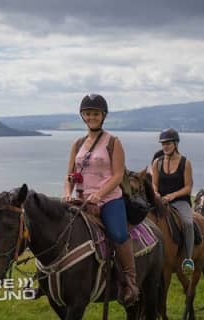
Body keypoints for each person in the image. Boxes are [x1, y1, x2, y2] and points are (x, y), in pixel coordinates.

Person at [63, 93, 139, 306]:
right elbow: (69, 174)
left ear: (103, 115)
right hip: (80, 199)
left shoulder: (113, 142)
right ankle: (46, 277)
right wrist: (68, 192)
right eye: (87, 113)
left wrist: (100, 194)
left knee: (118, 233)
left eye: (95, 113)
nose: (91, 117)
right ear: (83, 116)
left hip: (108, 199)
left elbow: (117, 176)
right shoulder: (77, 144)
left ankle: (130, 281)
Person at [152, 128, 195, 273]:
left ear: (176, 143)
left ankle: (188, 258)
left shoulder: (185, 163)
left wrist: (173, 195)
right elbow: (154, 184)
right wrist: (156, 193)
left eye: (168, 143)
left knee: (188, 223)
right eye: (163, 143)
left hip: (180, 201)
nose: (165, 146)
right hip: (161, 201)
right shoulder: (157, 163)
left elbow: (188, 187)